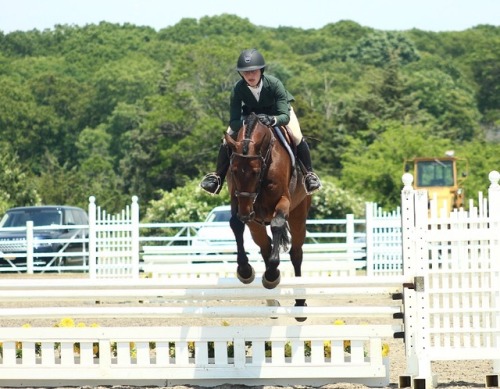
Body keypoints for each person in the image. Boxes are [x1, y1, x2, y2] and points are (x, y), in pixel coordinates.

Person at [200, 48, 322, 195]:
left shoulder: (275, 84)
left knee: (296, 136)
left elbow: (285, 116)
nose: (250, 75)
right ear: (240, 73)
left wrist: (272, 120)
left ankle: (309, 175)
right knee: (227, 140)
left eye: (254, 71)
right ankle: (217, 177)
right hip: (251, 116)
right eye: (246, 72)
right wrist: (249, 125)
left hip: (278, 113)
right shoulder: (238, 89)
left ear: (261, 71)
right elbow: (233, 121)